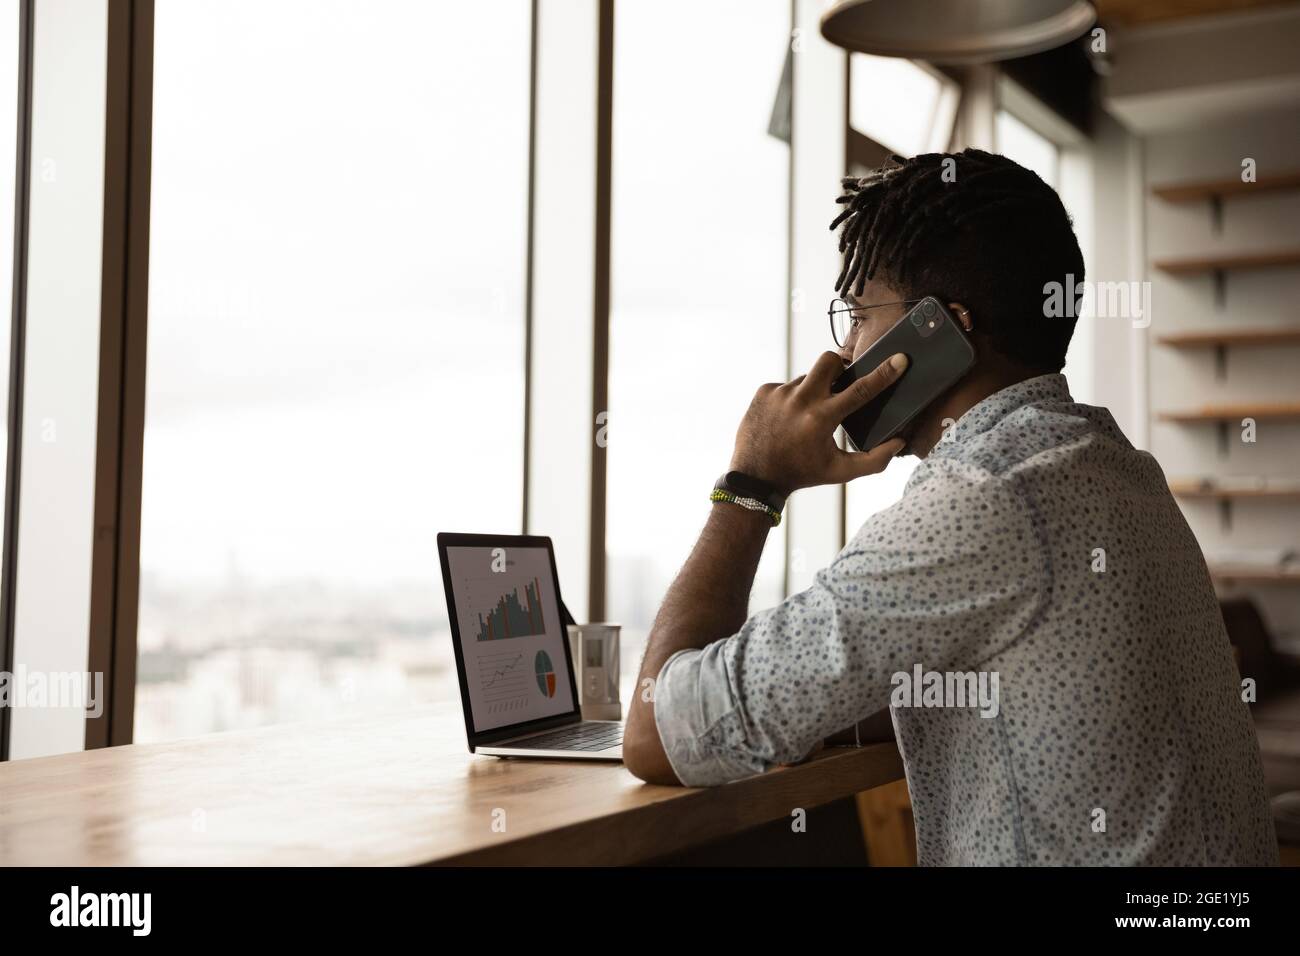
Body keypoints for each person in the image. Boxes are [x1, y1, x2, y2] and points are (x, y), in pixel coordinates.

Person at [621, 149, 1278, 866]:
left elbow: (656, 731)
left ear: (938, 329)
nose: (842, 355)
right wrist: (813, 697)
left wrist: (751, 482)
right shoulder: (1119, 468)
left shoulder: (982, 496)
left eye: (858, 316)